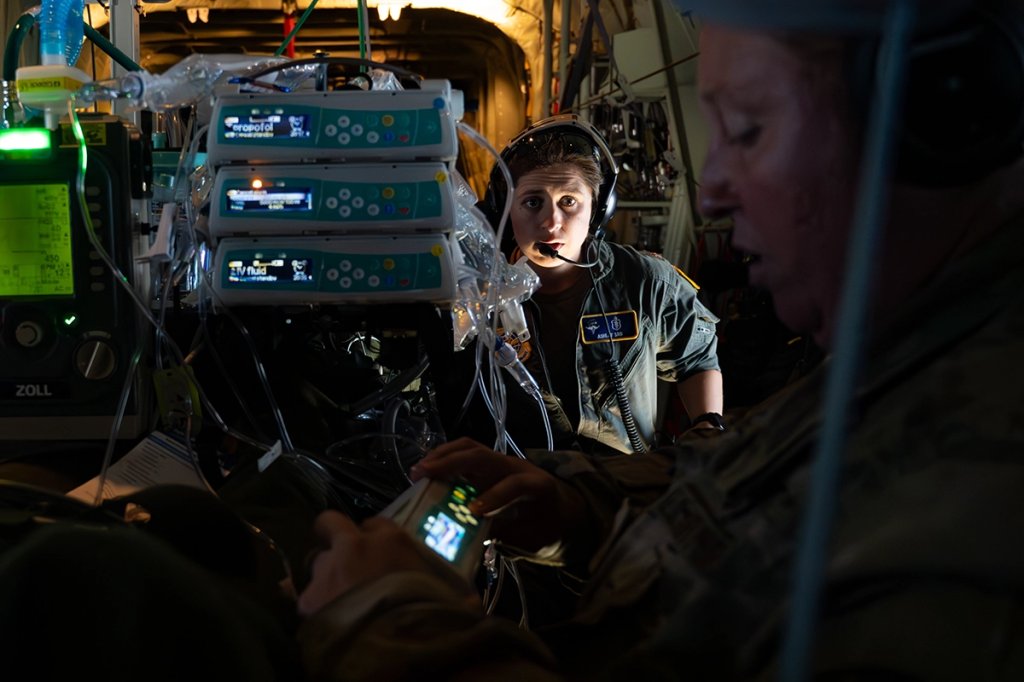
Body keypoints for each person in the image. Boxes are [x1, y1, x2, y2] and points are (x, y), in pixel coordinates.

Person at [295, 0, 1024, 679]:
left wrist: (390, 619)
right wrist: (574, 507)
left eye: (747, 129)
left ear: (938, 119)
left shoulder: (976, 488)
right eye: (533, 202)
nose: (712, 193)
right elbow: (740, 507)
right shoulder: (902, 364)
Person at [457, 114, 723, 456]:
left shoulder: (645, 280)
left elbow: (697, 358)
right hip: (518, 481)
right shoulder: (475, 295)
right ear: (508, 212)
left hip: (620, 484)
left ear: (597, 210)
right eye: (532, 202)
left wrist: (707, 425)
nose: (551, 223)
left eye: (568, 201)